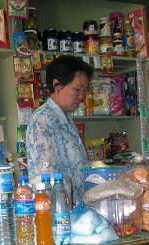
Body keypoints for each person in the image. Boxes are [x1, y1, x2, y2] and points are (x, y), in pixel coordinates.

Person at [26, 55, 93, 204]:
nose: (81, 96)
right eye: (77, 89)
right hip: (59, 215)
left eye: (84, 90)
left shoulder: (65, 118)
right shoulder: (42, 120)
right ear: (57, 85)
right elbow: (46, 177)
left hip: (77, 210)